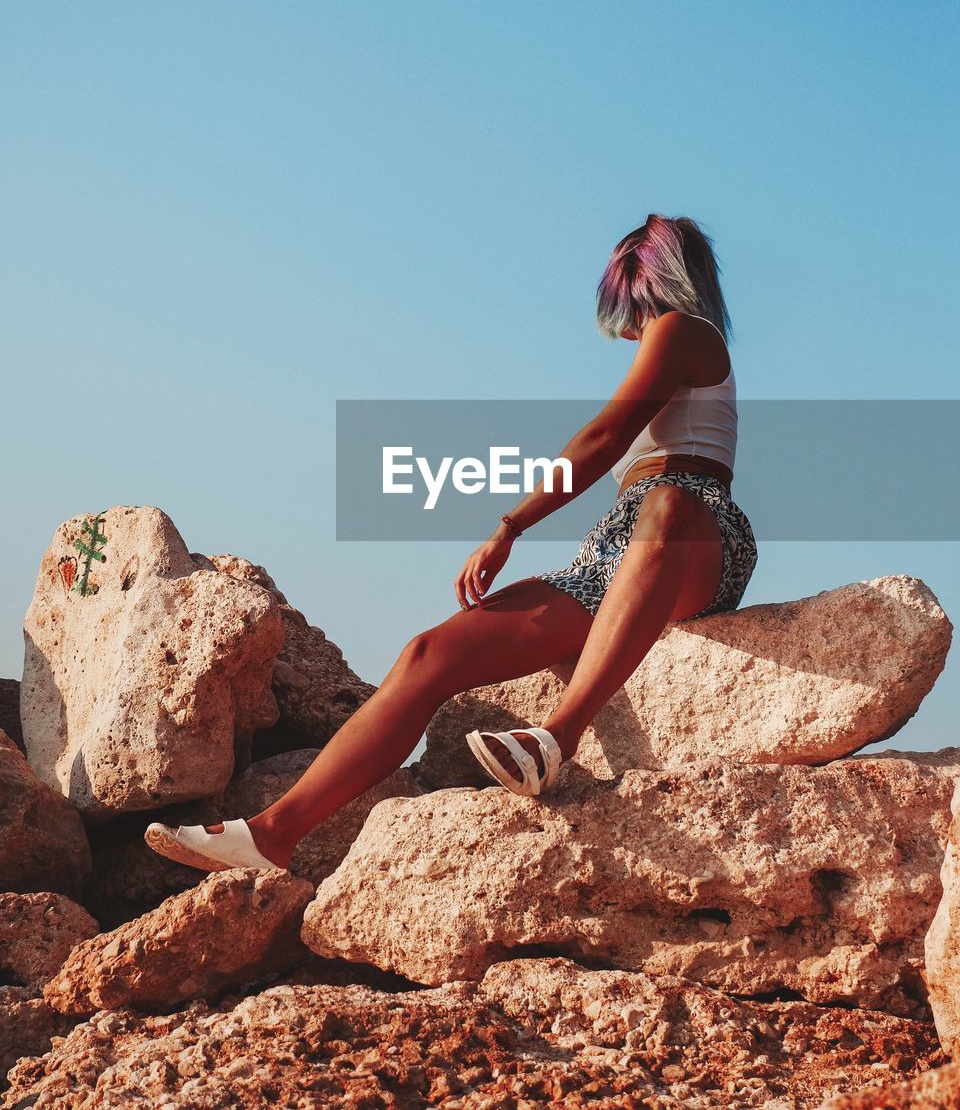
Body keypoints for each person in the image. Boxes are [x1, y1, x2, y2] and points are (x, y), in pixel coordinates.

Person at [145, 213, 758, 873]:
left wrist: (511, 525)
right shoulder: (664, 346)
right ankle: (270, 834)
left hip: (696, 533)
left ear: (655, 286)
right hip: (615, 554)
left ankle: (556, 738)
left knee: (665, 503)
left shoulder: (683, 332)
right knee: (428, 653)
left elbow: (605, 436)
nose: (631, 326)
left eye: (632, 305)